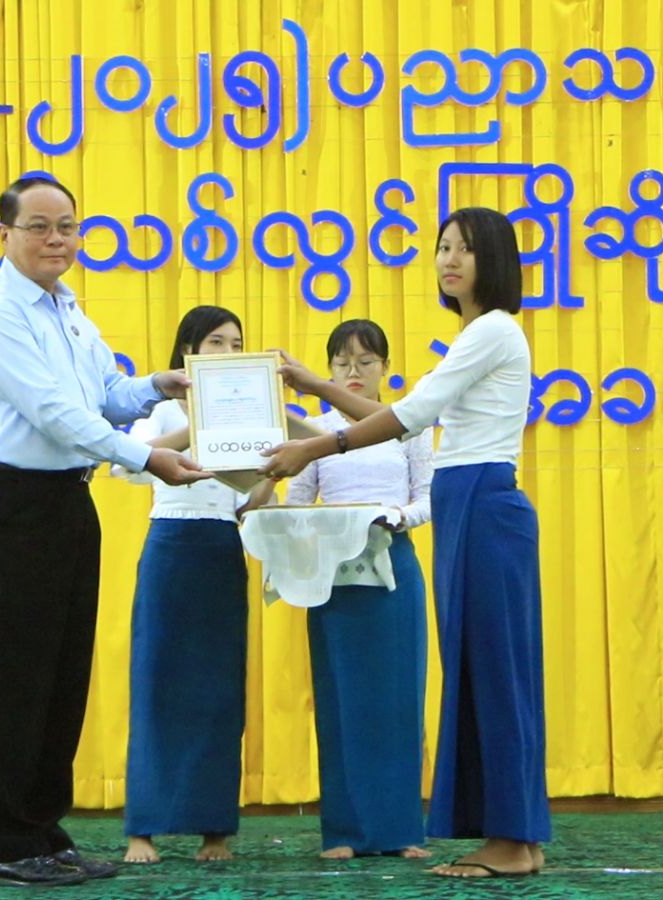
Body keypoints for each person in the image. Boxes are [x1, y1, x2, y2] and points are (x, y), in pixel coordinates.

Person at [260, 207, 550, 879]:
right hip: (469, 499)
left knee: (493, 673)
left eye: (465, 249)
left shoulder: (491, 330)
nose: (449, 260)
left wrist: (315, 446)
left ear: (494, 260)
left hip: (482, 498)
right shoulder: (479, 335)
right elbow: (406, 420)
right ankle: (518, 837)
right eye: (443, 247)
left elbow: (410, 415)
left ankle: (511, 842)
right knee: (486, 670)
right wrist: (317, 395)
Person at [0, 175, 210, 888]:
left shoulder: (66, 308)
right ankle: (7, 842)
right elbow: (55, 415)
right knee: (18, 675)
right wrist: (148, 458)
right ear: (4, 234)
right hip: (14, 502)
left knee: (61, 674)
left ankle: (43, 828)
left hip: (67, 500)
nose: (55, 239)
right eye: (38, 226)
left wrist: (159, 386)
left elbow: (104, 395)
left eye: (66, 226)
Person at [115, 306, 276, 865]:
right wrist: (202, 419)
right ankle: (143, 828)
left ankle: (214, 829)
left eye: (236, 343)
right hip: (170, 544)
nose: (228, 353)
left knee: (218, 690)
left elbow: (248, 497)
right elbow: (127, 466)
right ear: (189, 351)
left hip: (221, 546)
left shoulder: (252, 412)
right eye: (215, 343)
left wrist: (274, 475)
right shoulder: (160, 410)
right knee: (157, 682)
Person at [282, 319, 434, 860]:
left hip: (392, 568)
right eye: (342, 363)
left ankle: (401, 832)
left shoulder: (408, 425)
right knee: (340, 700)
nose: (353, 372)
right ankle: (344, 832)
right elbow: (297, 501)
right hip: (335, 578)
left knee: (397, 702)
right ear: (327, 370)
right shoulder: (315, 432)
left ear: (386, 369)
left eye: (366, 362)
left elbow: (429, 496)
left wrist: (397, 516)